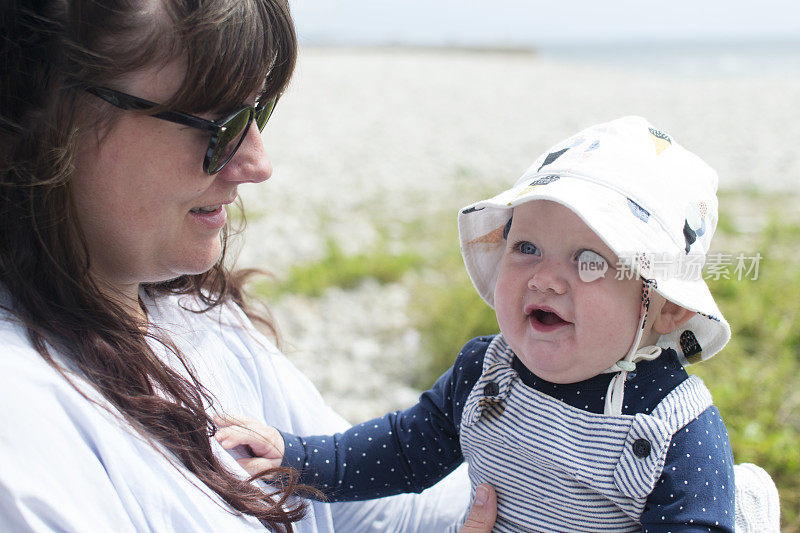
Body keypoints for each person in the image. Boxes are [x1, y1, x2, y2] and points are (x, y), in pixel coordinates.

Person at [0, 1, 492, 531]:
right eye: (218, 124)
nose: (257, 164)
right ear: (42, 121)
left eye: (259, 111)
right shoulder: (23, 422)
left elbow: (370, 509)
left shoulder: (188, 313)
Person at [215, 116, 742, 532]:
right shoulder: (489, 375)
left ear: (668, 306)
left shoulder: (676, 432)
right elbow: (403, 450)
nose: (546, 280)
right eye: (527, 247)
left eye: (590, 261)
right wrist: (298, 458)